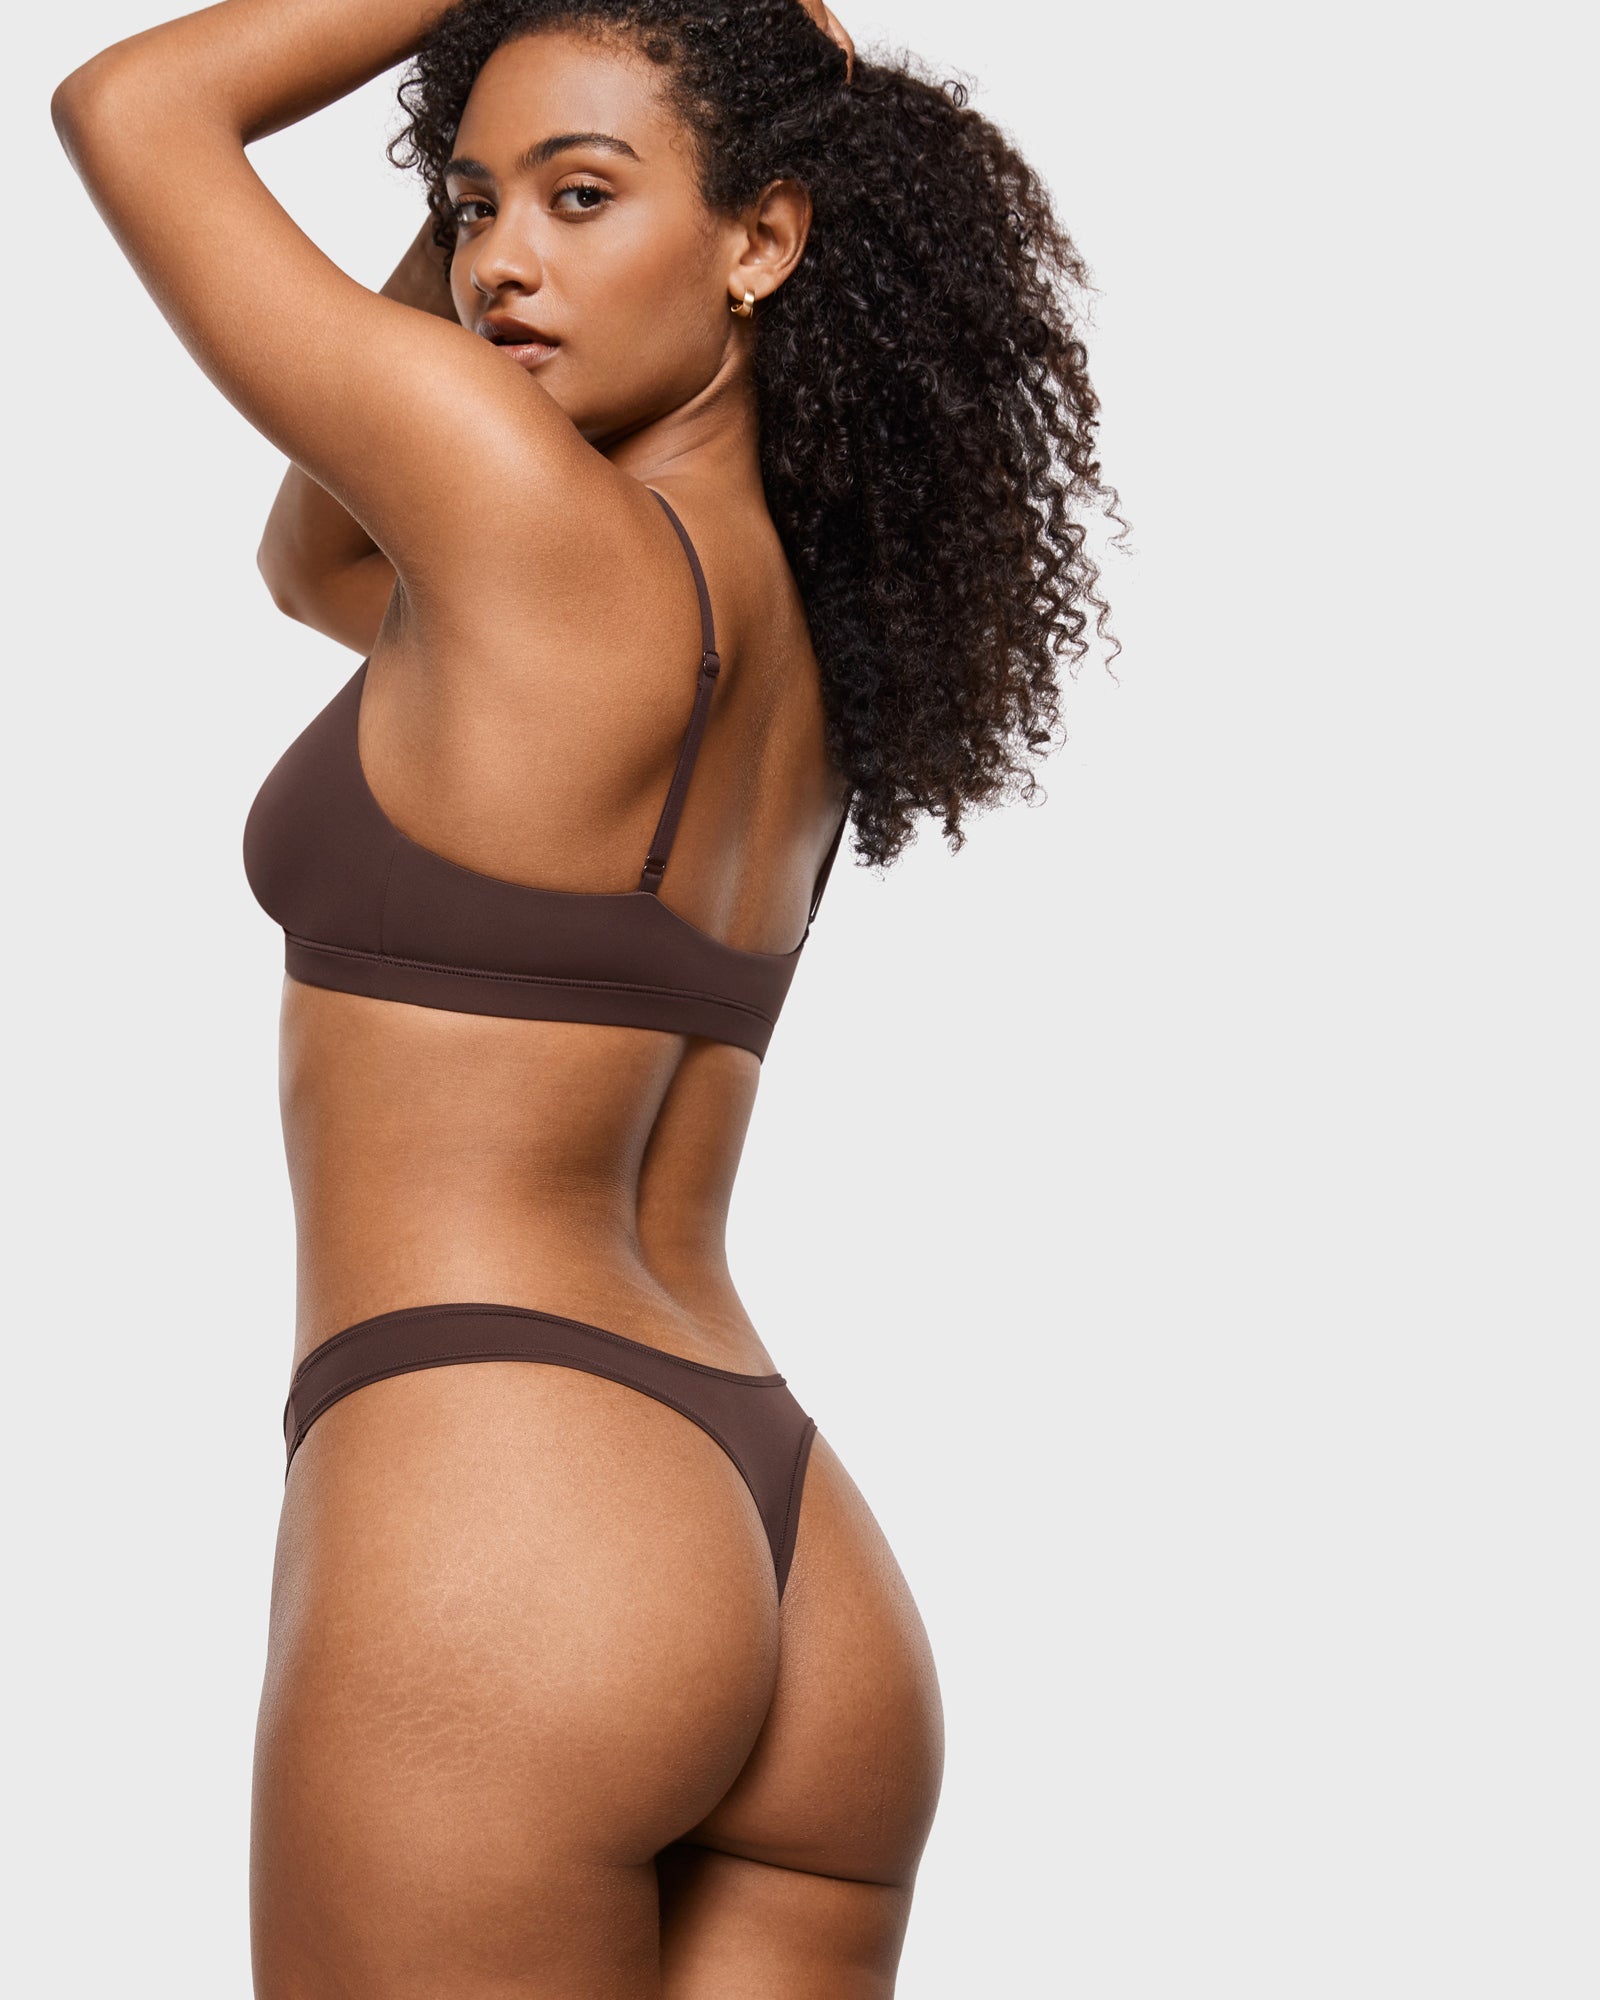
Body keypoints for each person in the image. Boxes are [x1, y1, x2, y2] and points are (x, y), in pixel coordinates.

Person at [52, 0, 1120, 1989]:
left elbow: (132, 105)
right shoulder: (803, 636)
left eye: (583, 196)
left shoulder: (526, 522)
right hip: (793, 1566)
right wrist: (497, 205)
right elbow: (311, 562)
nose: (501, 264)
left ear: (764, 240)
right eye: (472, 205)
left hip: (505, 1514)